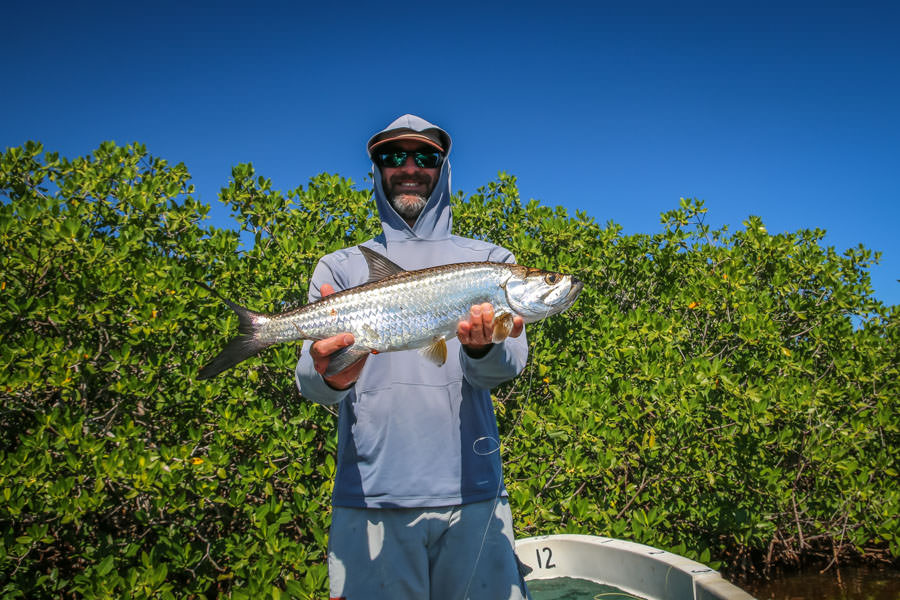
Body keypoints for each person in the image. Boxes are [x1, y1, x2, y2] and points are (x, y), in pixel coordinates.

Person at [295, 114, 531, 600]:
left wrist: (482, 347)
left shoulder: (493, 261)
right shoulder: (341, 267)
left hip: (474, 495)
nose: (408, 167)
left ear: (442, 168)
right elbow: (311, 383)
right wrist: (332, 373)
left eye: (424, 156)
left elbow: (507, 368)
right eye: (392, 156)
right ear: (377, 169)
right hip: (370, 499)